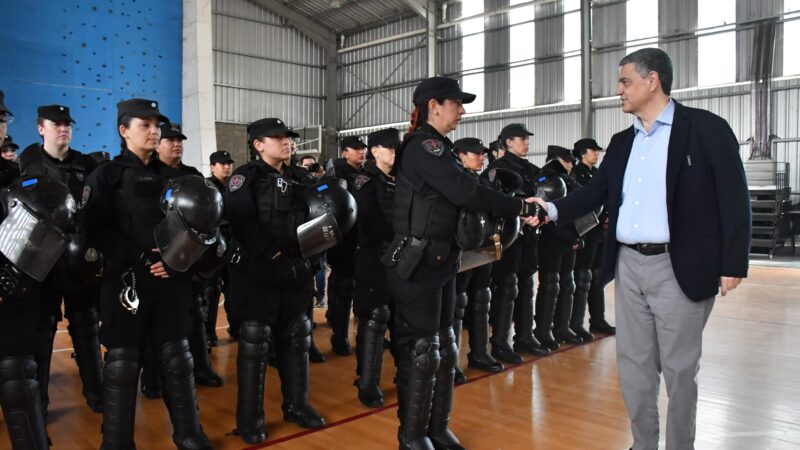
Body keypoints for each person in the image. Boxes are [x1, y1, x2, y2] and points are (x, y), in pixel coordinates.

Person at [535, 48, 750, 450]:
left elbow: (734, 198)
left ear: (653, 81)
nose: (618, 90)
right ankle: (643, 443)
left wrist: (733, 262)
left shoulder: (706, 129)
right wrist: (550, 208)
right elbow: (596, 192)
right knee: (633, 366)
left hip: (679, 264)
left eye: (625, 82)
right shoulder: (621, 142)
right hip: (629, 264)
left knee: (680, 370)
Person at [386, 76, 541, 450]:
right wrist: (519, 205)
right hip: (416, 263)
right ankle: (412, 436)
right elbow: (466, 191)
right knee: (420, 352)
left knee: (443, 345)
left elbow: (470, 190)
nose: (462, 110)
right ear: (434, 106)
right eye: (456, 103)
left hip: (441, 260)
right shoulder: (425, 146)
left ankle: (437, 428)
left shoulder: (439, 147)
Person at [84, 98, 212, 449]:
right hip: (126, 283)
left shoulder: (178, 178)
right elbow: (92, 231)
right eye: (145, 125)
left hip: (171, 282)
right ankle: (116, 441)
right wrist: (135, 256)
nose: (154, 131)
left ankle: (188, 433)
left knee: (176, 358)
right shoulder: (107, 176)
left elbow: (197, 230)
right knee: (123, 364)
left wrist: (176, 261)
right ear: (124, 130)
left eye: (157, 125)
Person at [225, 117, 326, 444]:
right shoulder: (245, 177)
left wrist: (306, 262)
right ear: (258, 145)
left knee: (297, 338)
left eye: (288, 138)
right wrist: (275, 257)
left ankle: (297, 405)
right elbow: (243, 225)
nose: (287, 142)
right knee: (256, 342)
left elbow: (319, 219)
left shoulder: (301, 178)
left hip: (295, 272)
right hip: (258, 274)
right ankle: (249, 419)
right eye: (278, 138)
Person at [18, 104, 104, 415]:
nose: (63, 128)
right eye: (56, 124)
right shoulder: (28, 162)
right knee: (42, 332)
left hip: (79, 259)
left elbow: (95, 210)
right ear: (41, 128)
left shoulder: (85, 164)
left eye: (67, 124)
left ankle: (97, 394)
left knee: (86, 329)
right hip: (43, 261)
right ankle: (38, 402)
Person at [485, 123, 548, 364]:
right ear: (508, 142)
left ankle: (524, 336)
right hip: (509, 236)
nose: (527, 142)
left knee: (526, 285)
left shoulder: (530, 168)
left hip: (530, 235)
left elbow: (542, 195)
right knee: (507, 287)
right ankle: (501, 342)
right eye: (522, 138)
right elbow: (492, 201)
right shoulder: (497, 169)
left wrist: (539, 213)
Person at [352, 127, 399, 407]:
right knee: (375, 318)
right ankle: (367, 382)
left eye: (396, 147)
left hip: (403, 258)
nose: (393, 151)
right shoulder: (365, 181)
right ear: (374, 151)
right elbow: (368, 222)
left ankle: (404, 375)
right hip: (374, 257)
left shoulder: (404, 180)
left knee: (402, 318)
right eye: (387, 147)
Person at [452, 138, 505, 378]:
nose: (482, 158)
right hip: (461, 251)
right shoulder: (454, 183)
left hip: (481, 250)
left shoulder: (481, 182)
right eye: (476, 154)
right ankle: (450, 362)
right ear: (461, 156)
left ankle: (479, 353)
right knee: (457, 304)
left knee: (481, 299)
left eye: (483, 154)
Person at [535, 145, 584, 349]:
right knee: (550, 285)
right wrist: (568, 237)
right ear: (556, 159)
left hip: (570, 236)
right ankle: (543, 330)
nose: (571, 164)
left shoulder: (568, 179)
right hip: (553, 239)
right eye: (567, 160)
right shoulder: (546, 179)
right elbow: (546, 215)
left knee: (566, 283)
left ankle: (562, 327)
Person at [570, 138, 615, 339]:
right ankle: (575, 322)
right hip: (585, 231)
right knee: (582, 276)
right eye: (593, 151)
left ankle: (598, 319)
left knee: (597, 275)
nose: (596, 154)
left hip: (599, 231)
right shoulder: (576, 174)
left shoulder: (596, 174)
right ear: (582, 153)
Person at [325, 135, 367, 355]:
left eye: (363, 148)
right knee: (344, 286)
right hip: (345, 240)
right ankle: (339, 337)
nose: (362, 152)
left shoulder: (365, 173)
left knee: (362, 286)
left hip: (363, 238)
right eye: (356, 149)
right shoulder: (336, 175)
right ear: (345, 152)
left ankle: (360, 333)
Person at [206, 150, 234, 344]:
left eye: (228, 163)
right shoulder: (207, 187)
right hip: (215, 247)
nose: (226, 166)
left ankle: (237, 328)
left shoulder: (235, 186)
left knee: (235, 290)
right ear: (212, 166)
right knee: (212, 293)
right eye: (222, 163)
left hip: (234, 245)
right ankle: (209, 334)